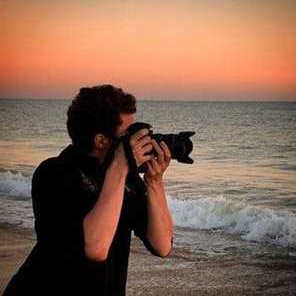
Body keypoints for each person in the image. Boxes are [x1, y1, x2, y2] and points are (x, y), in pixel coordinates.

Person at [3, 84, 174, 296]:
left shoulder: (128, 180)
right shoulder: (54, 173)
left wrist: (154, 182)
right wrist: (121, 165)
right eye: (128, 134)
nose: (136, 140)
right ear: (101, 140)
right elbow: (96, 248)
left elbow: (162, 246)